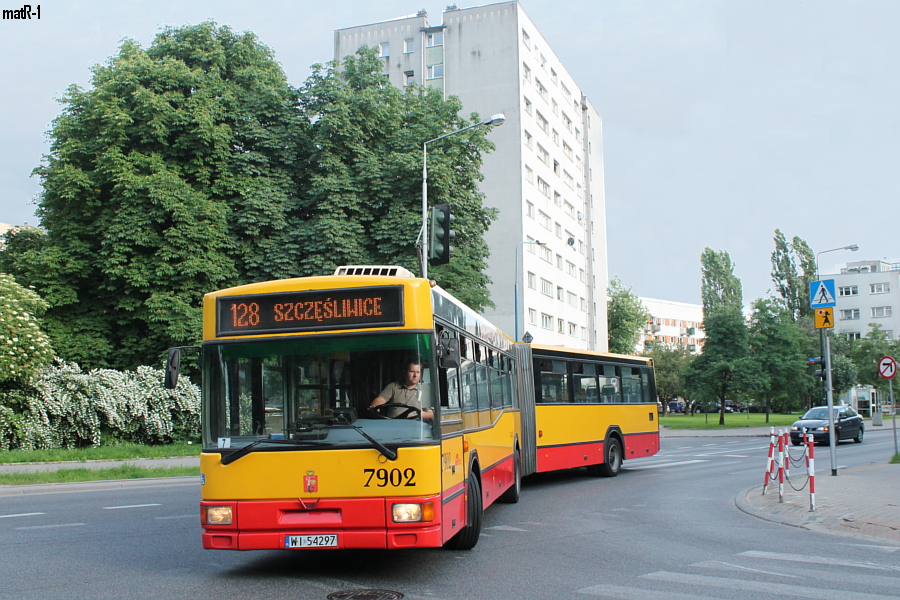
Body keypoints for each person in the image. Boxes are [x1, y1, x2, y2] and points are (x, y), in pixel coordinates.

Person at [370, 360, 434, 421]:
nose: (415, 375)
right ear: (405, 372)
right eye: (412, 371)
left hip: (415, 426)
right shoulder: (393, 386)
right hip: (392, 424)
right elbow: (379, 400)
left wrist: (422, 415)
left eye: (418, 372)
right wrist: (375, 406)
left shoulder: (424, 389)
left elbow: (432, 414)